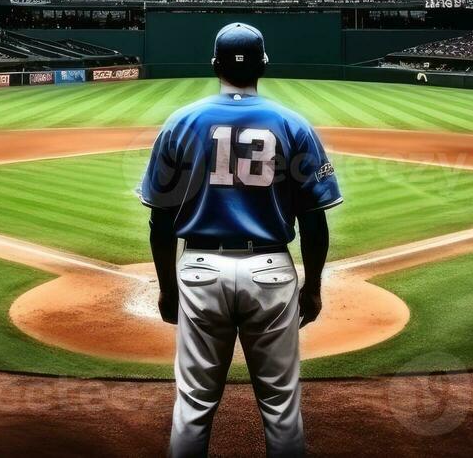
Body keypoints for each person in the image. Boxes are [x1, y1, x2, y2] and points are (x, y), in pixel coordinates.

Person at [139, 22, 342, 457]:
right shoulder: (293, 125)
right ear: (264, 65)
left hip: (200, 270)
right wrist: (314, 288)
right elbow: (314, 220)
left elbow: (160, 220)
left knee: (193, 406)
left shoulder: (182, 122)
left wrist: (167, 289)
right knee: (282, 409)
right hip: (270, 271)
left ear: (214, 64)